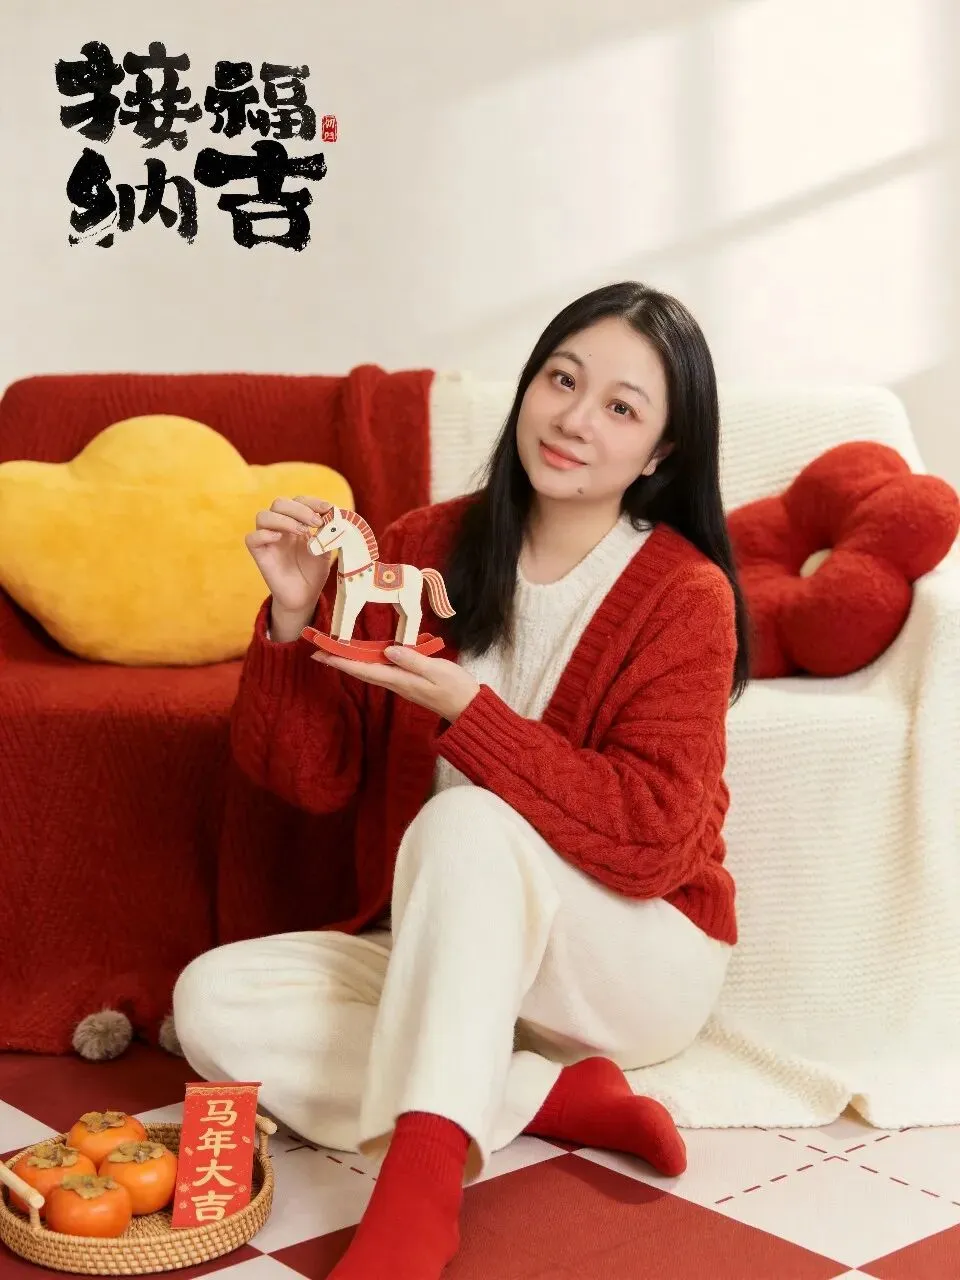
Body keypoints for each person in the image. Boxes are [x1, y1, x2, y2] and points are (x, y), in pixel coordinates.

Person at [173, 280, 750, 1280]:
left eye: (621, 407)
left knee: (470, 820)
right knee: (210, 1002)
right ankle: (542, 1092)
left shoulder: (684, 595)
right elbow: (310, 778)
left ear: (661, 452)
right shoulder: (418, 547)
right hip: (456, 959)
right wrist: (292, 619)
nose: (575, 418)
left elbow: (653, 835)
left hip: (628, 959)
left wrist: (470, 715)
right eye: (562, 379)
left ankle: (418, 1196)